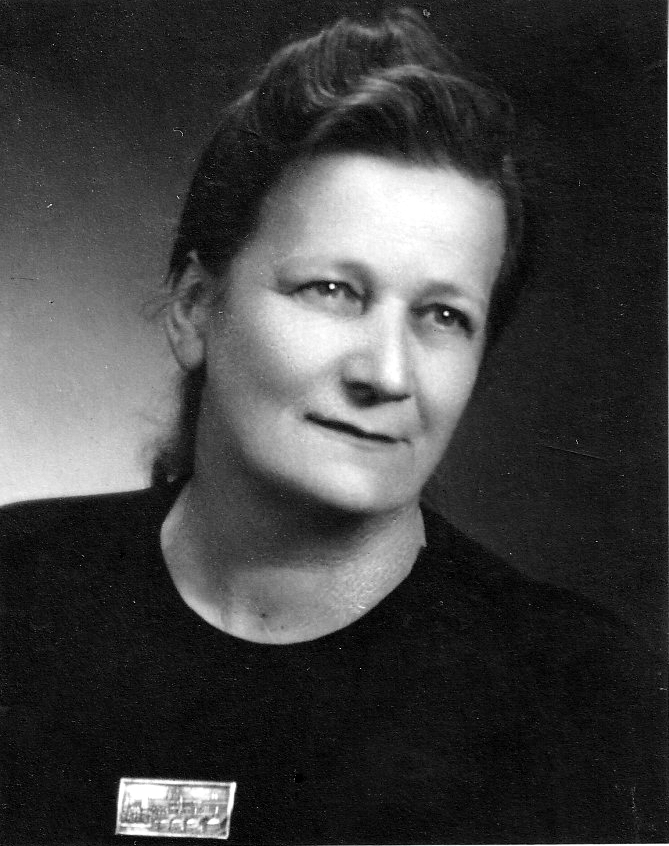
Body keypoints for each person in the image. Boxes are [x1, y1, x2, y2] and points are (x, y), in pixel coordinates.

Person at [1, 9, 665, 845]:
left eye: (443, 315)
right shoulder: (15, 594)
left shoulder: (585, 697)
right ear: (196, 308)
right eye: (332, 290)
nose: (386, 373)